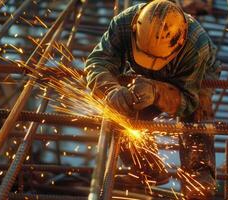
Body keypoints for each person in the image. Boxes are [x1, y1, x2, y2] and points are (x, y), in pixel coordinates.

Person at [84, 0, 220, 199]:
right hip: (141, 73)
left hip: (196, 74)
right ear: (135, 30)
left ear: (179, 41)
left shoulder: (195, 46)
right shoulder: (123, 23)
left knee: (197, 111)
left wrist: (157, 92)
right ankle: (147, 168)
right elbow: (99, 61)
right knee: (121, 113)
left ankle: (199, 172)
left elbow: (187, 100)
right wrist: (110, 89)